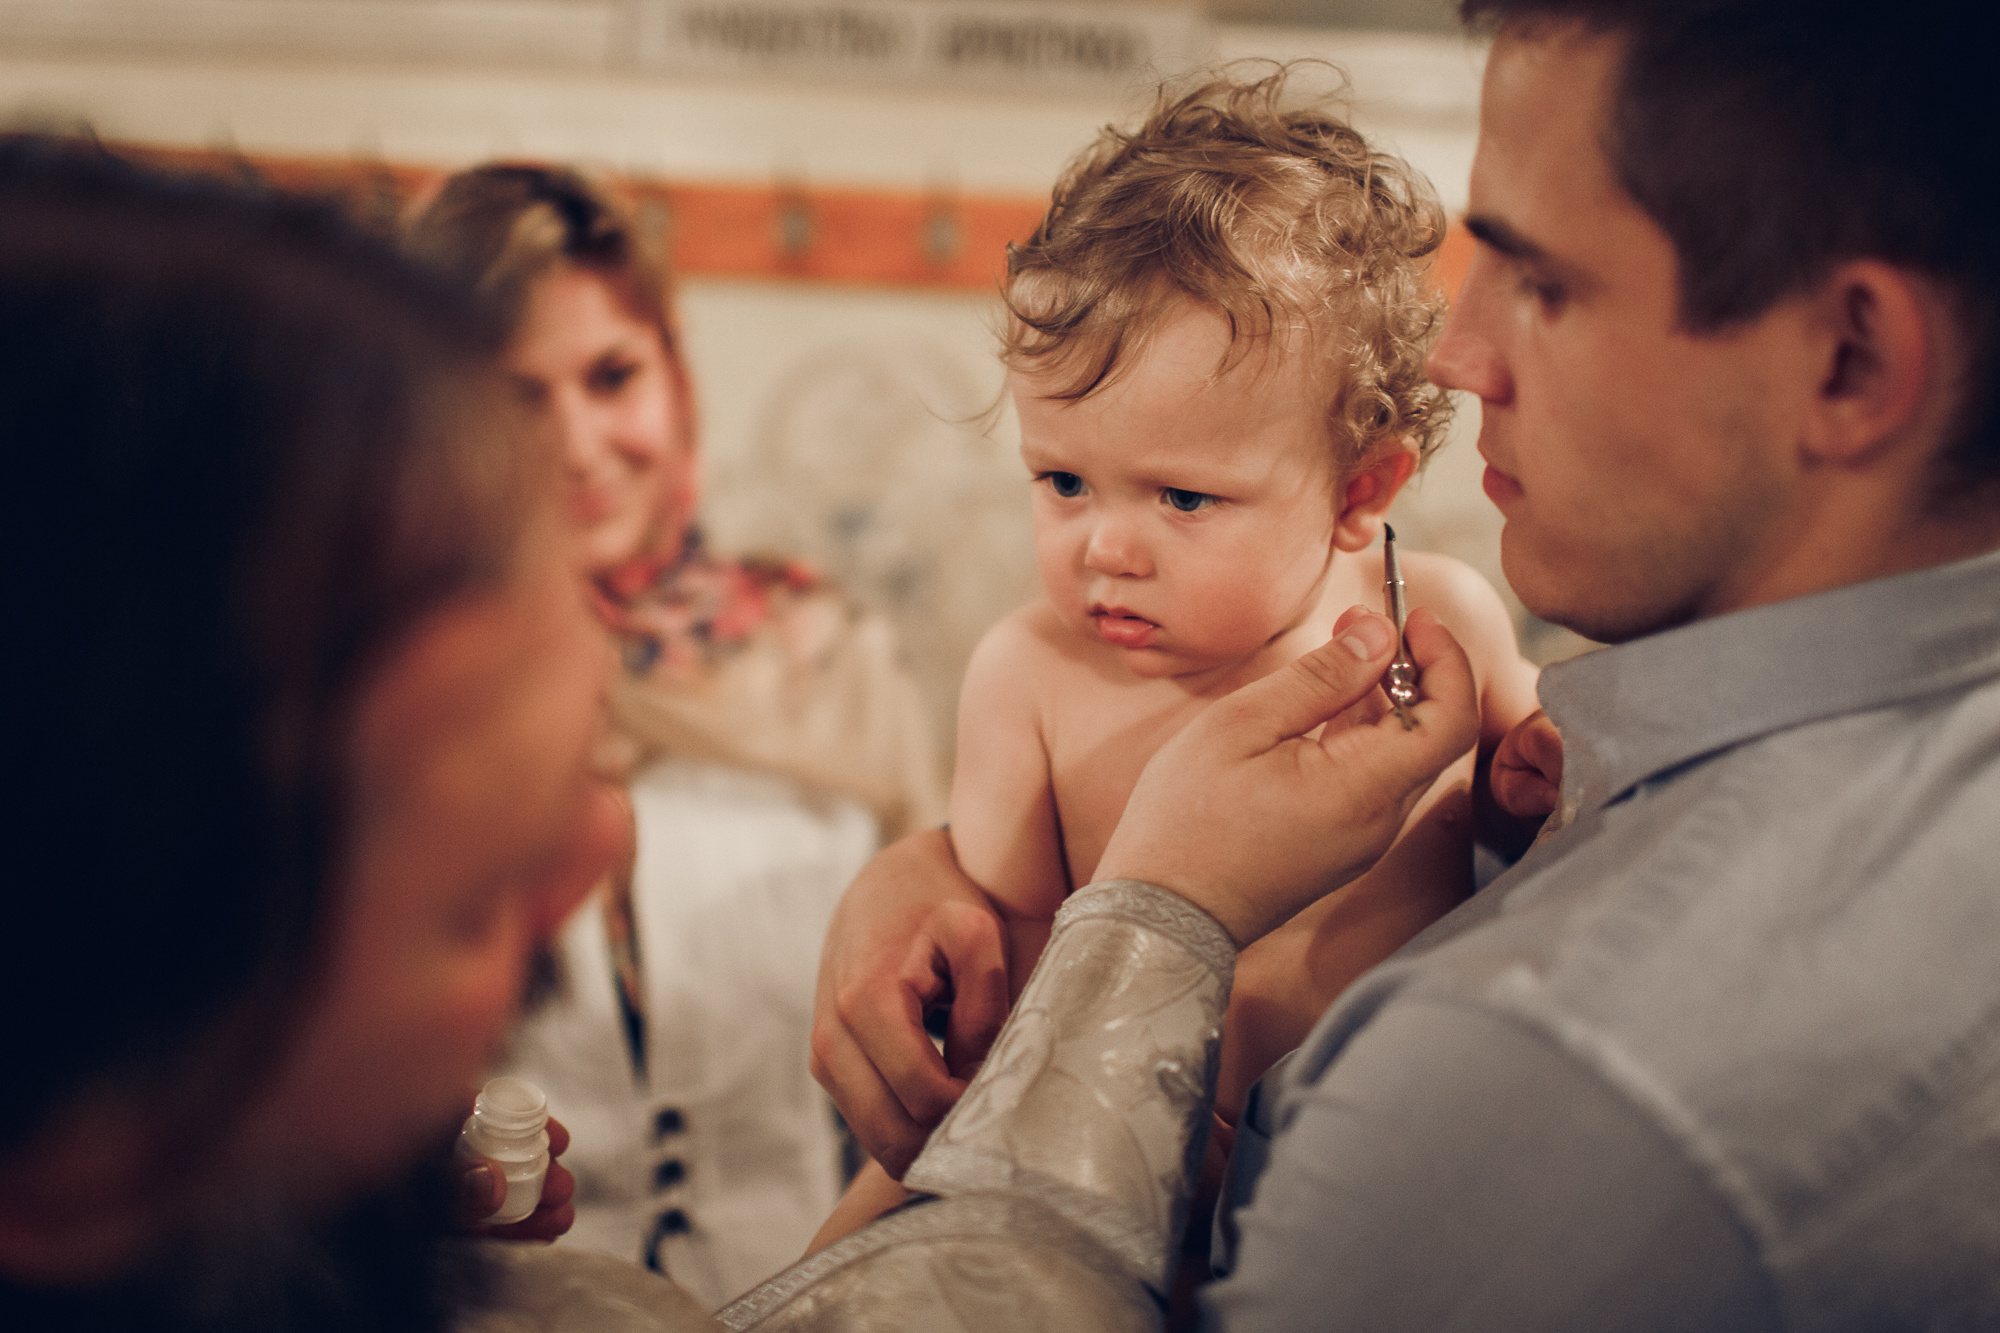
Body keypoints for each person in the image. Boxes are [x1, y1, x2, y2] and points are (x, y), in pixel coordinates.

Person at [813, 0, 2000, 1324]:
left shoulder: (1524, 1076)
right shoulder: (1035, 669)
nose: (1453, 353)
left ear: (1849, 359)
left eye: (1543, 281)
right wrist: (918, 875)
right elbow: (998, 957)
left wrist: (1168, 908)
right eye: (1063, 482)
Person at [405, 164, 945, 1306]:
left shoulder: (824, 654)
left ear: (676, 372)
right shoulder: (391, 685)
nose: (578, 445)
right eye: (513, 397)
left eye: (613, 376)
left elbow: (944, 1028)